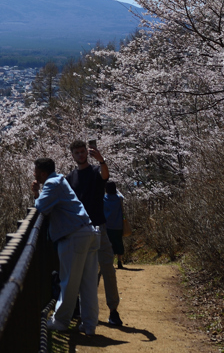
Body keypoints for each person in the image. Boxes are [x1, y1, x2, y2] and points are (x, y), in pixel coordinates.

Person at [32, 157, 100, 336]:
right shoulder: (60, 180)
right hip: (88, 231)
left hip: (73, 236)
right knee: (88, 283)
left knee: (69, 282)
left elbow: (41, 207)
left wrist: (36, 193)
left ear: (43, 173)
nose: (34, 174)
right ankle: (89, 324)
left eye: (36, 172)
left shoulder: (52, 183)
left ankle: (61, 321)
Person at [66, 139, 122, 326]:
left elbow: (105, 176)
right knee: (82, 272)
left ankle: (113, 310)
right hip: (80, 230)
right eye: (77, 153)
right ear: (72, 155)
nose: (81, 155)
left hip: (99, 227)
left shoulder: (96, 171)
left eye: (83, 152)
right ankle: (83, 311)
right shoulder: (70, 177)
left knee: (107, 269)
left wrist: (102, 160)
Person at [103, 181, 125, 269]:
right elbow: (122, 195)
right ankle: (119, 261)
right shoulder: (119, 198)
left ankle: (110, 262)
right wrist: (117, 190)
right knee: (119, 242)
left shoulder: (103, 198)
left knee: (109, 244)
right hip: (118, 225)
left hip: (107, 225)